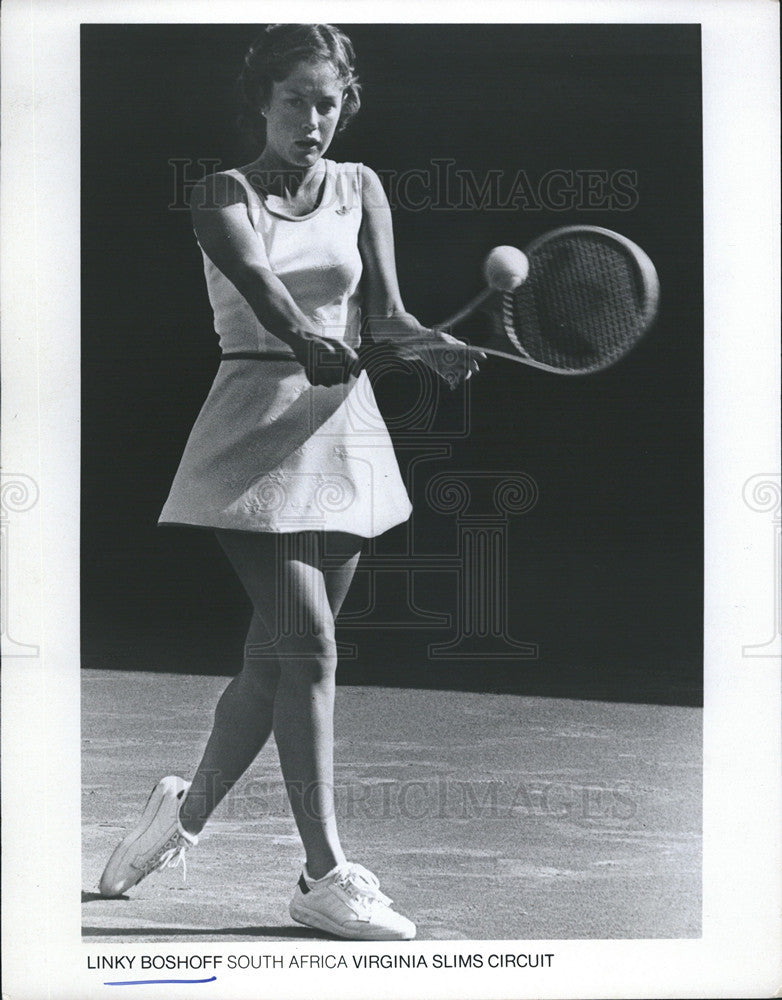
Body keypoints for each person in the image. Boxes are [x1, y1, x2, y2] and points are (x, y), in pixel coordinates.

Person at [98, 23, 478, 941]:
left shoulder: (362, 187)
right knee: (310, 648)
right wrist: (307, 337)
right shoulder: (220, 194)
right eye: (298, 99)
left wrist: (434, 345)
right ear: (262, 102)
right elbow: (267, 292)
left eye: (331, 100)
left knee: (273, 660)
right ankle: (323, 876)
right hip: (251, 431)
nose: (316, 119)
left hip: (343, 436)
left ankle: (179, 817)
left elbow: (384, 317)